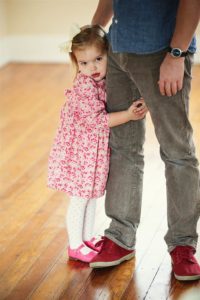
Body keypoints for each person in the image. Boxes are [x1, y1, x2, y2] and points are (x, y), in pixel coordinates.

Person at [89, 0, 200, 281]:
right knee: (123, 146)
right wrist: (93, 33)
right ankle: (120, 235)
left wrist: (177, 54)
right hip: (117, 50)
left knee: (177, 151)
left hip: (162, 52)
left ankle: (183, 244)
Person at [48, 24, 148, 263]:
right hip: (81, 154)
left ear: (108, 56)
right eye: (83, 63)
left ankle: (87, 237)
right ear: (76, 63)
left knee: (92, 196)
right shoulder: (84, 87)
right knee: (80, 199)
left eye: (98, 59)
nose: (91, 68)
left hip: (92, 152)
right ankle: (75, 244)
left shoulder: (102, 82)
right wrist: (128, 115)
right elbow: (96, 121)